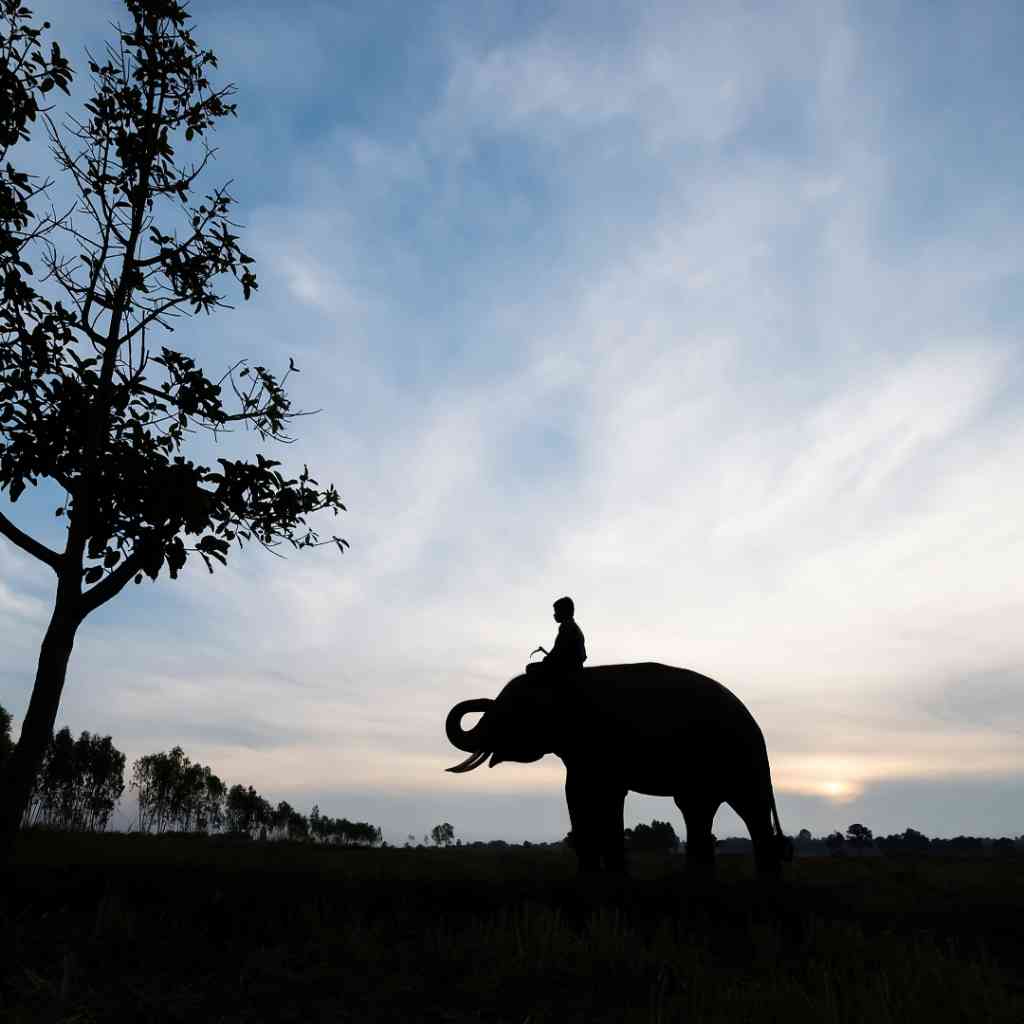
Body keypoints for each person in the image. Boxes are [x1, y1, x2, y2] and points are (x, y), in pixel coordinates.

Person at [526, 596, 586, 678]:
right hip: (572, 665)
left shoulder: (567, 627)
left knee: (531, 668)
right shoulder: (572, 626)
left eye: (556, 611)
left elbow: (559, 650)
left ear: (564, 612)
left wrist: (548, 659)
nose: (554, 615)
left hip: (568, 667)